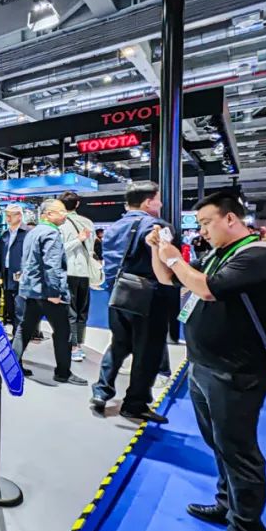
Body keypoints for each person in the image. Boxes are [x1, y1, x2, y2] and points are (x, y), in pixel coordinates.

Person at [148, 191, 266, 531]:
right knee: (219, 444)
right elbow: (169, 279)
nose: (203, 231)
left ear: (230, 218)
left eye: (206, 223)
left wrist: (173, 256)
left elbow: (206, 288)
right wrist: (159, 250)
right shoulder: (219, 254)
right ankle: (227, 504)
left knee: (239, 452)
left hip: (236, 371)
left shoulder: (258, 255)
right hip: (204, 365)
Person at [90, 181, 172, 424]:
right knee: (147, 352)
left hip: (118, 293)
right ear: (148, 202)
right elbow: (167, 262)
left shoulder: (113, 228)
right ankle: (135, 404)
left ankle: (101, 391)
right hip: (149, 296)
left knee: (119, 344)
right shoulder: (156, 227)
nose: (160, 204)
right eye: (158, 199)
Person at [12, 199, 86, 385]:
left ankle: (12, 365)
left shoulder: (33, 232)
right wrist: (54, 292)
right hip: (47, 293)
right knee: (63, 332)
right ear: (48, 214)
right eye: (61, 211)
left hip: (31, 291)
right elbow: (52, 265)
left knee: (25, 328)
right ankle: (63, 373)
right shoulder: (51, 233)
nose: (65, 214)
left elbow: (27, 261)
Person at [58, 191, 95, 363]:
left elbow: (60, 250)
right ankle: (78, 344)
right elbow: (91, 248)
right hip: (85, 273)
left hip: (69, 272)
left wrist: (77, 241)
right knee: (82, 311)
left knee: (71, 311)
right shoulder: (88, 223)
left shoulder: (61, 224)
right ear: (78, 204)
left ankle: (74, 347)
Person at [0, 204, 28, 333]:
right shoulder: (5, 235)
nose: (7, 219)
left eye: (10, 216)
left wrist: (24, 272)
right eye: (6, 216)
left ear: (19, 216)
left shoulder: (28, 233)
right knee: (10, 307)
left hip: (22, 276)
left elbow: (32, 256)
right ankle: (16, 332)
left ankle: (19, 337)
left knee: (20, 308)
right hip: (7, 275)